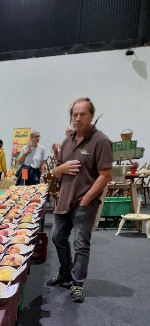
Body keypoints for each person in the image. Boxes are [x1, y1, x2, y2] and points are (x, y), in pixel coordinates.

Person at [47, 97, 112, 303]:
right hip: (64, 200)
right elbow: (56, 171)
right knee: (57, 237)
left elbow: (105, 175)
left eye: (82, 114)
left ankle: (77, 283)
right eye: (75, 114)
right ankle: (65, 273)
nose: (78, 118)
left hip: (85, 202)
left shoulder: (100, 141)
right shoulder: (67, 141)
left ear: (91, 116)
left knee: (81, 244)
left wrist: (86, 200)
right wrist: (62, 168)